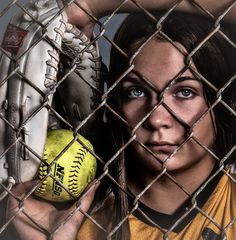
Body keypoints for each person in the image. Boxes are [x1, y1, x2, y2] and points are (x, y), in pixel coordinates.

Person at [5, 0, 236, 240]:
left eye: (184, 92)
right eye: (136, 91)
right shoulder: (66, 219)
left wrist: (90, 5)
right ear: (114, 102)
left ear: (220, 102)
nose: (156, 118)